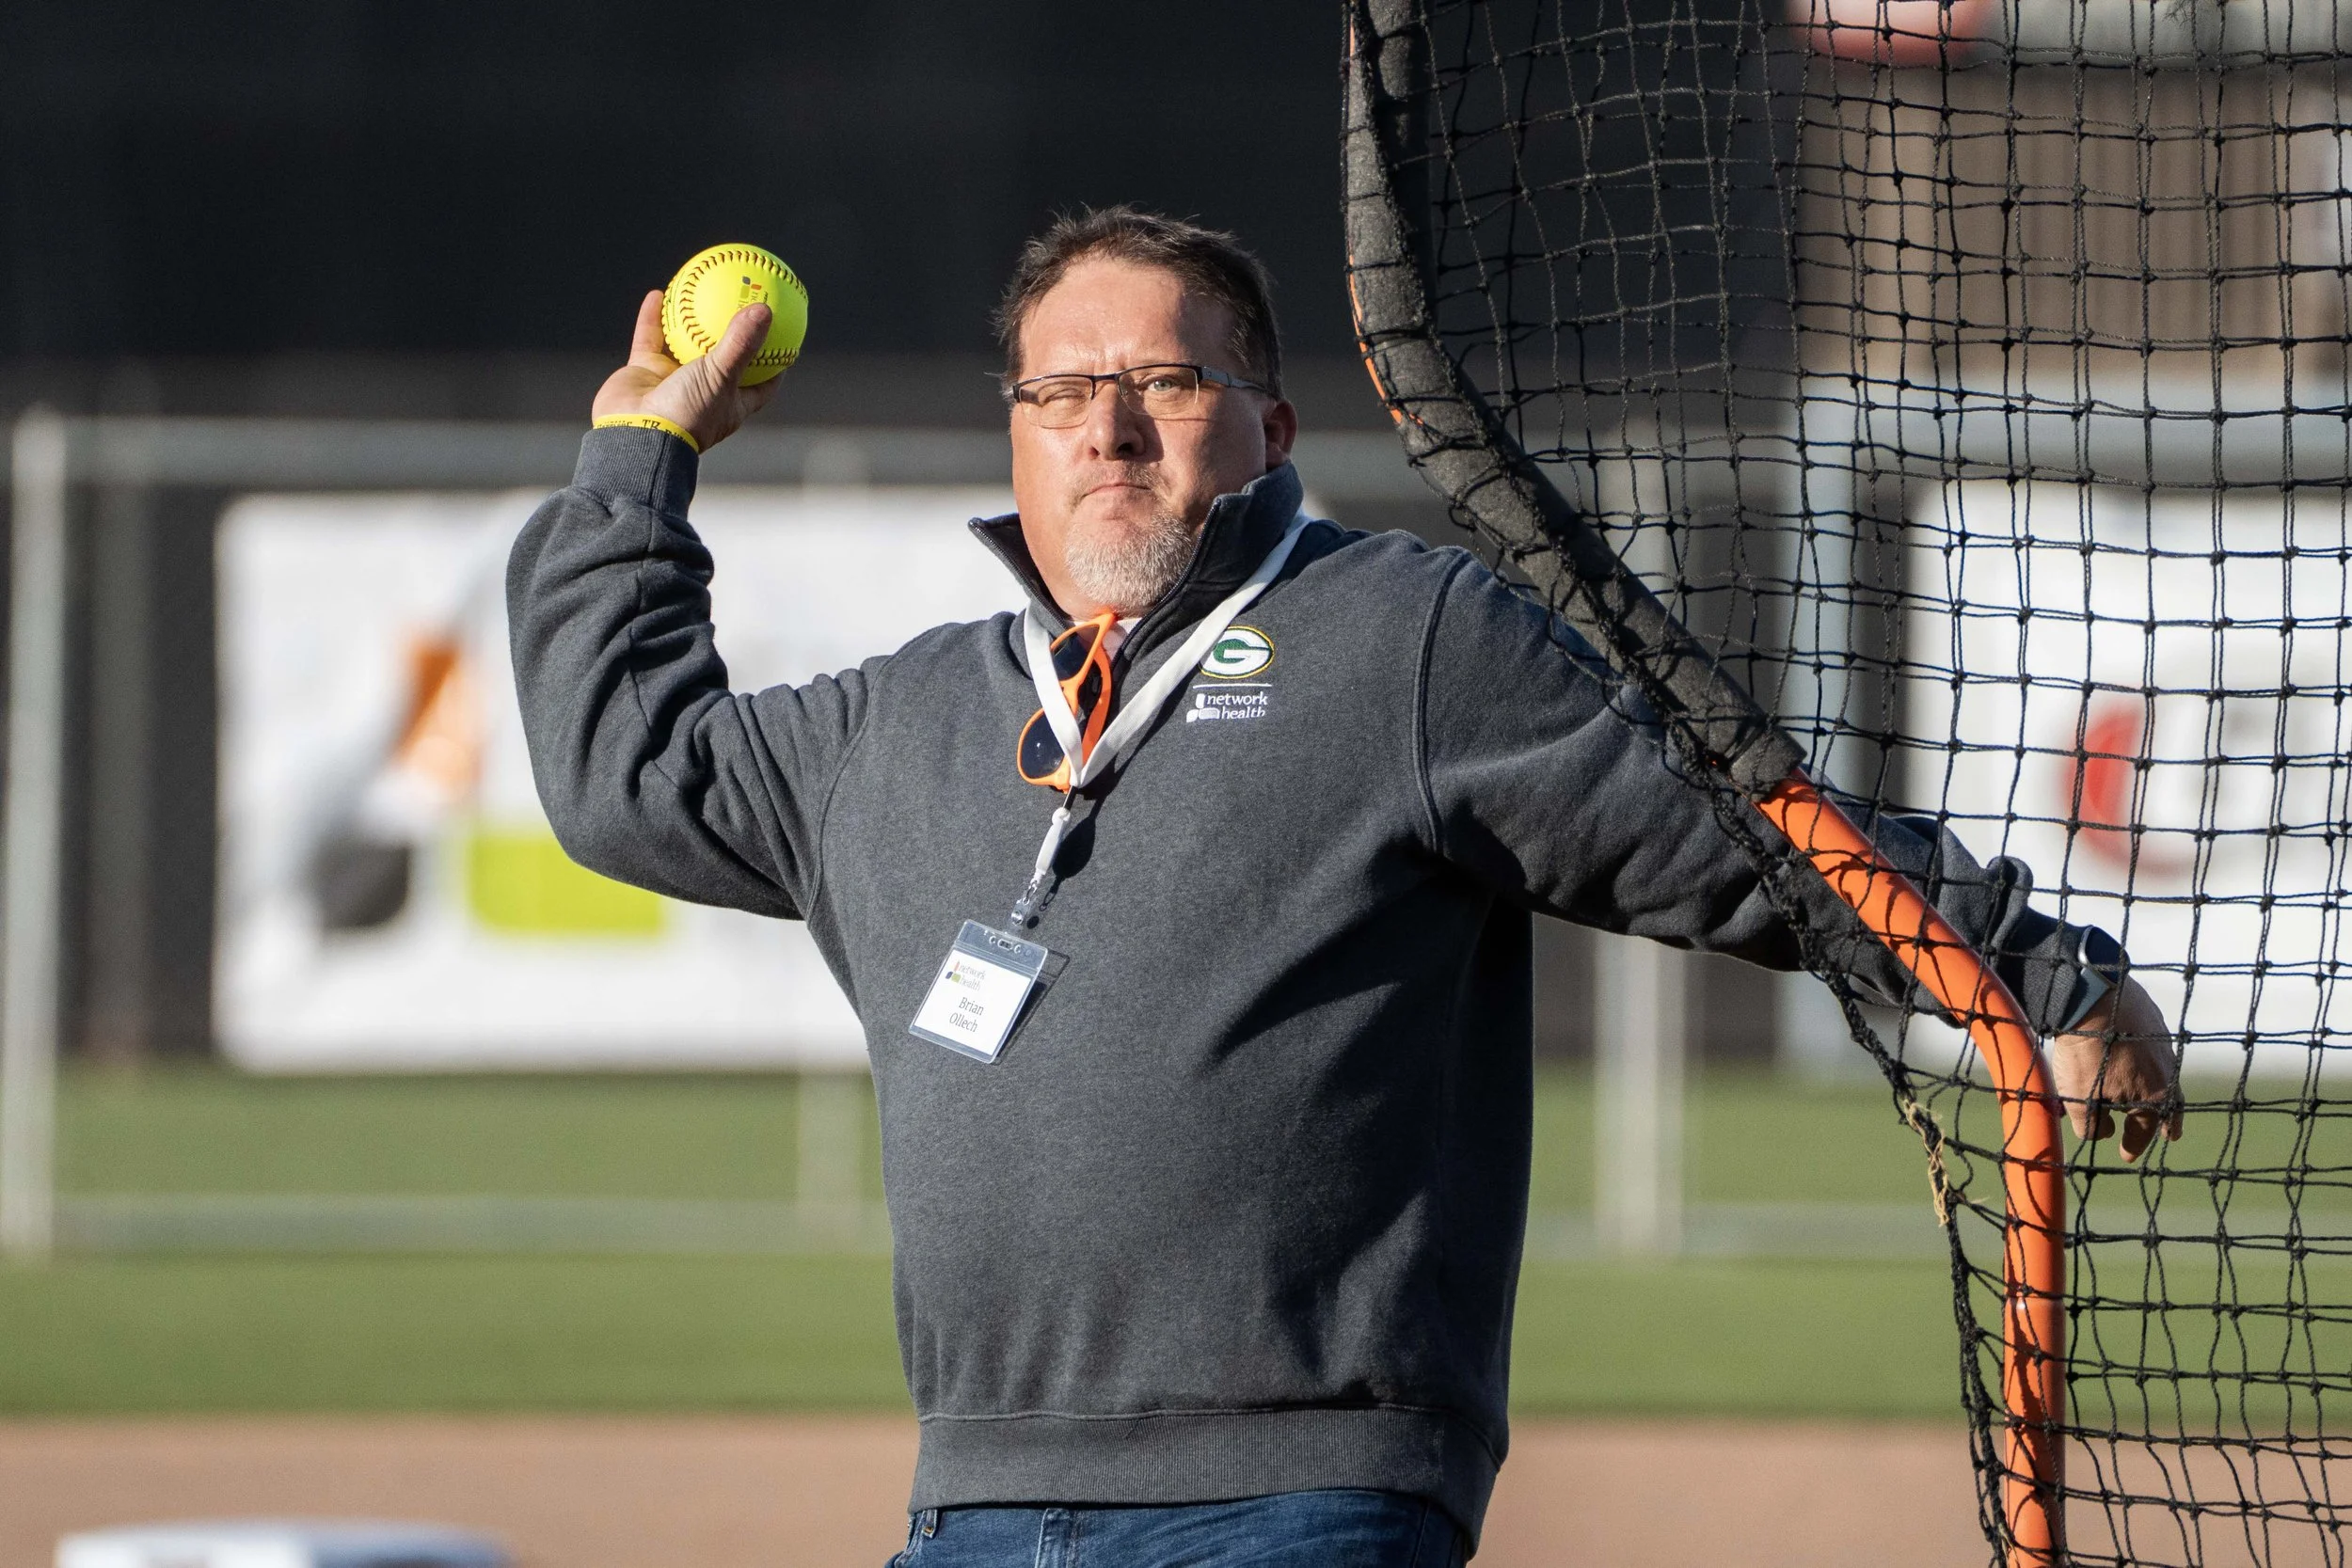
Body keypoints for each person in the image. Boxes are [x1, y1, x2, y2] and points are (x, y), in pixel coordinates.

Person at [508, 207, 2181, 1566]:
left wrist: (2033, 968)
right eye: (1060, 391)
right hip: (971, 1500)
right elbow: (627, 775)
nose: (1107, 426)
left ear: (1272, 424)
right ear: (1011, 431)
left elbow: (1737, 835)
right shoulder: (907, 717)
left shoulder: (1404, 642)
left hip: (1302, 1499)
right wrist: (637, 462)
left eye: (1164, 380)